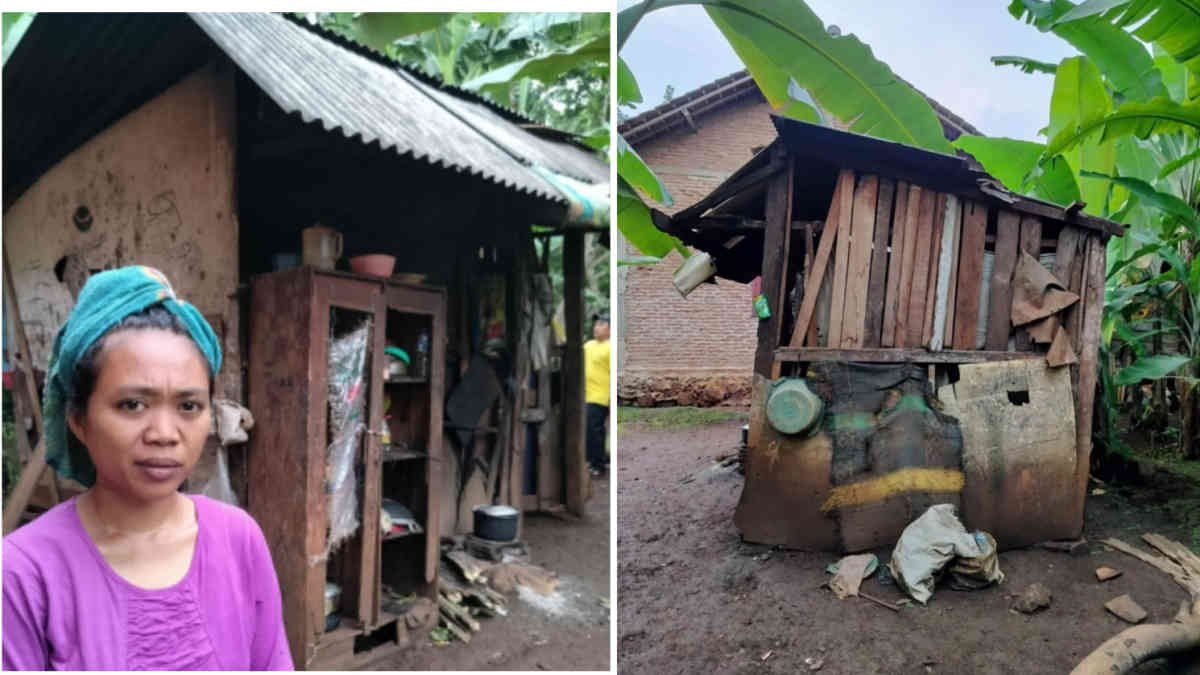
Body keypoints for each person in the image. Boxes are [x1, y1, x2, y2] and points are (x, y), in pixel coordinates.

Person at [2, 266, 292, 670]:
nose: (165, 434)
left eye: (189, 406)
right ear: (78, 421)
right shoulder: (23, 575)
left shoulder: (238, 538)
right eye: (133, 405)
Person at [583, 312, 611, 476]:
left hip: (600, 396)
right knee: (590, 431)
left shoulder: (610, 347)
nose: (597, 327)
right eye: (596, 324)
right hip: (586, 396)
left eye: (601, 324)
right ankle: (594, 460)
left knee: (595, 431)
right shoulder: (588, 346)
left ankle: (598, 465)